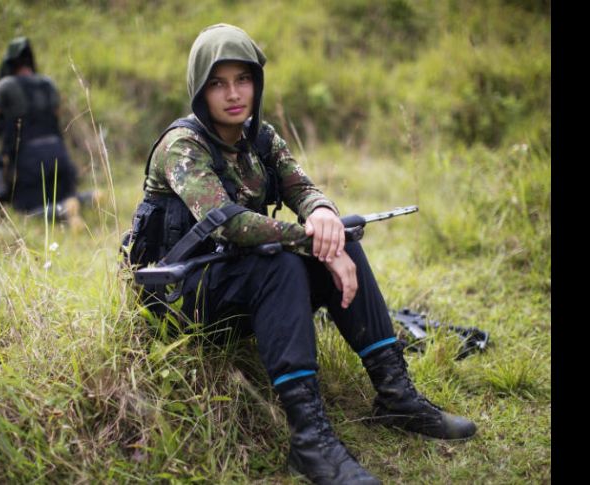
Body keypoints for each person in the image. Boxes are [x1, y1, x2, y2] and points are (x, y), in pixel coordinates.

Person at [136, 24, 476, 484]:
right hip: (182, 297)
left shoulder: (259, 137)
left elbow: (302, 187)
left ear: (257, 82)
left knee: (341, 236)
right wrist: (312, 241)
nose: (233, 94)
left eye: (243, 79)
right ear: (199, 89)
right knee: (281, 259)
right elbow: (229, 224)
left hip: (240, 281)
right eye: (218, 83)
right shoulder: (182, 146)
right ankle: (309, 440)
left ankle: (396, 396)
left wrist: (322, 215)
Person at [0, 36, 82, 229]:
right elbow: (56, 116)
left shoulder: (6, 85)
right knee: (65, 195)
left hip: (29, 159)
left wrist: (6, 132)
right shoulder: (48, 84)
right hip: (58, 152)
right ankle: (90, 198)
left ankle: (64, 211)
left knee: (26, 212)